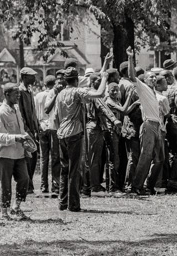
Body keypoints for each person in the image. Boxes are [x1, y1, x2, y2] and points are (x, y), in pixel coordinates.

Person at [54, 53, 112, 212]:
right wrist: (105, 78)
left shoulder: (60, 95)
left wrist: (105, 62)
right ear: (77, 79)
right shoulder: (78, 92)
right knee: (74, 170)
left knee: (64, 169)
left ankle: (63, 202)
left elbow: (56, 116)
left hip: (62, 134)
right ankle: (73, 205)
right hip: (74, 133)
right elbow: (99, 94)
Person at [127, 46, 164, 195]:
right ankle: (137, 186)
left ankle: (148, 185)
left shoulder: (155, 93)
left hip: (157, 126)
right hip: (148, 125)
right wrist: (130, 58)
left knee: (159, 158)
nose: (154, 78)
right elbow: (132, 76)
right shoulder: (142, 88)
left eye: (155, 77)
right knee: (146, 156)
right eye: (150, 77)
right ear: (145, 79)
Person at [0, 83, 32, 220]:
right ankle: (4, 213)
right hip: (4, 154)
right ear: (7, 95)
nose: (19, 96)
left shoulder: (16, 110)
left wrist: (26, 139)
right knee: (5, 184)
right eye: (16, 94)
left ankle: (16, 207)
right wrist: (16, 137)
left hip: (19, 153)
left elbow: (20, 130)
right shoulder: (0, 113)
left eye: (19, 94)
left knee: (24, 179)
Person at [84, 75, 122, 194]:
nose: (102, 83)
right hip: (95, 128)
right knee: (94, 159)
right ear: (92, 82)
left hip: (92, 127)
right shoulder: (95, 95)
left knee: (92, 158)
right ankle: (94, 185)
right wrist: (114, 120)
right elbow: (103, 108)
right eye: (99, 81)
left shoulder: (88, 94)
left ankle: (89, 184)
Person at [105, 82, 137, 192]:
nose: (114, 92)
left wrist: (134, 104)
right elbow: (123, 110)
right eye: (112, 90)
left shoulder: (116, 100)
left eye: (116, 90)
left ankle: (115, 186)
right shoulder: (109, 101)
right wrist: (129, 96)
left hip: (117, 132)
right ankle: (113, 188)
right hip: (111, 132)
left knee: (117, 159)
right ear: (108, 91)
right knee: (114, 160)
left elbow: (125, 112)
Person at [118, 61, 143, 191]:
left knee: (127, 156)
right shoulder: (130, 86)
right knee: (133, 156)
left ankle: (125, 182)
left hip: (124, 124)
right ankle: (130, 184)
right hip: (133, 123)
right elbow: (134, 105)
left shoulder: (119, 83)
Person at [35, 75, 60, 194]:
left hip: (41, 126)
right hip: (52, 126)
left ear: (44, 84)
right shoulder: (55, 94)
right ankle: (55, 185)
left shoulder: (38, 96)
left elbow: (34, 113)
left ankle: (43, 185)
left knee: (44, 158)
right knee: (55, 157)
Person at [43, 70, 66, 195]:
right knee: (56, 157)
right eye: (58, 78)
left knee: (66, 157)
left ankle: (65, 183)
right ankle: (56, 185)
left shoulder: (69, 91)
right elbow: (46, 109)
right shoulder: (53, 92)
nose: (60, 80)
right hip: (55, 128)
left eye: (62, 78)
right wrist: (56, 95)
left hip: (67, 128)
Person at [18, 67, 40, 194]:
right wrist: (26, 130)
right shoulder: (20, 92)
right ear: (25, 77)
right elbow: (21, 114)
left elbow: (33, 112)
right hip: (25, 131)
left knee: (34, 156)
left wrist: (37, 127)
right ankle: (27, 185)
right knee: (28, 158)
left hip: (33, 130)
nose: (35, 78)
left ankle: (29, 184)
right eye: (32, 76)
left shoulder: (29, 91)